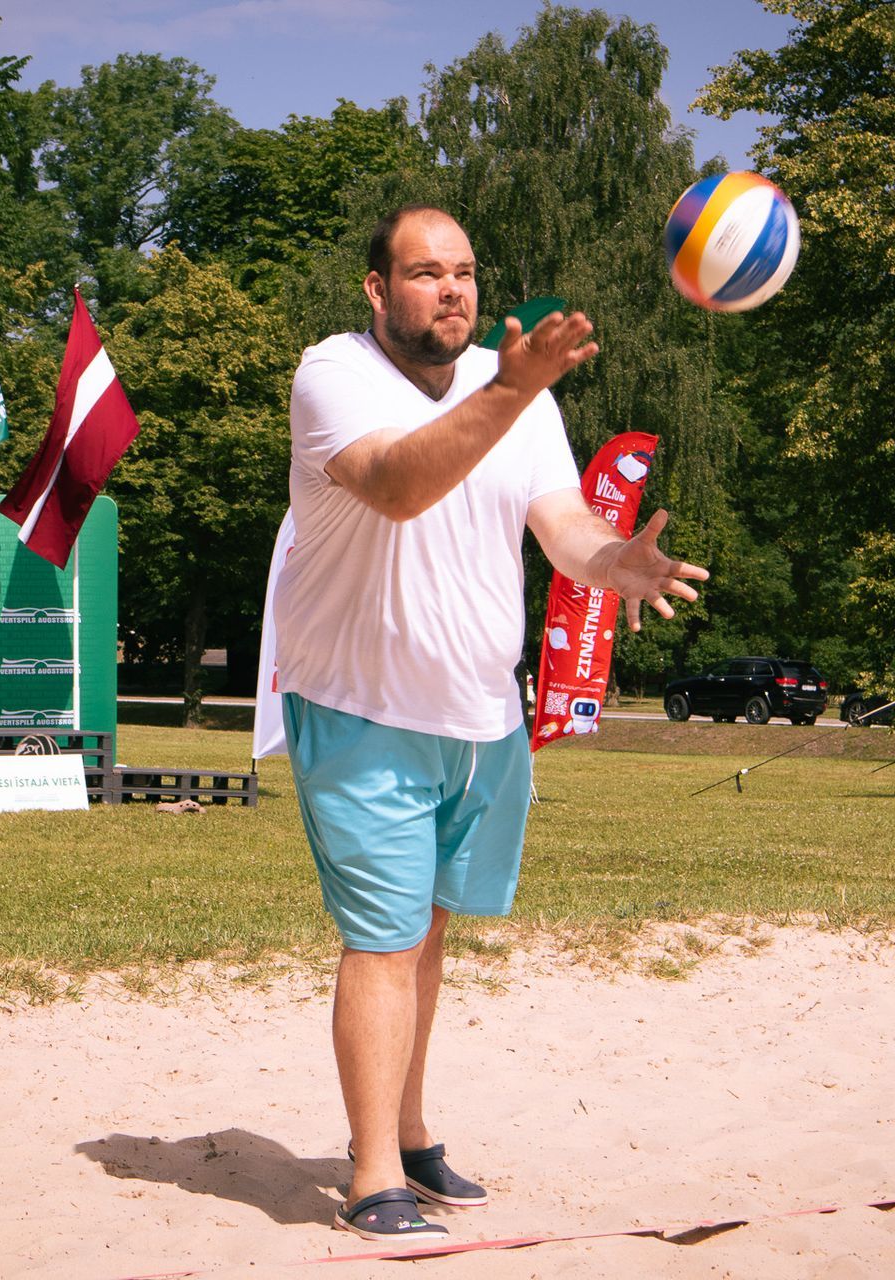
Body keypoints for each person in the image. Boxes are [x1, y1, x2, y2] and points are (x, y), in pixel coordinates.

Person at [274, 205, 708, 1240]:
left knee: (428, 934)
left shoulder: (518, 391)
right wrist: (513, 388)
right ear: (378, 290)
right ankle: (371, 1175)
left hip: (481, 716)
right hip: (361, 709)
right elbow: (397, 486)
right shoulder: (333, 373)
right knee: (383, 941)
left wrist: (616, 562)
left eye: (465, 271)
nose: (453, 290)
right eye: (427, 272)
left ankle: (410, 1133)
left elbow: (562, 526)